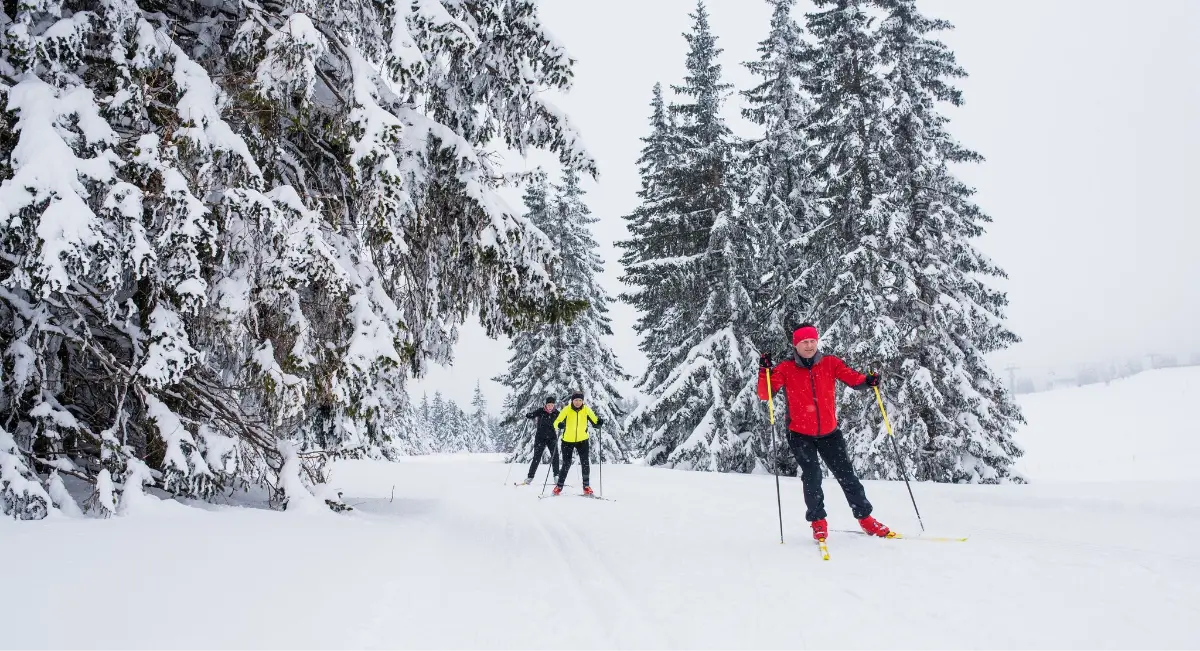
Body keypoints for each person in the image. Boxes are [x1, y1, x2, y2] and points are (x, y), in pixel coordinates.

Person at [757, 324, 891, 540]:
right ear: (796, 344)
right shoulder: (786, 368)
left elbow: (853, 378)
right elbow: (766, 394)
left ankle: (866, 519)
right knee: (812, 477)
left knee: (847, 476)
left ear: (816, 342)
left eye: (812, 341)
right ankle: (818, 521)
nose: (809, 346)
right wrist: (764, 372)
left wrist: (868, 381)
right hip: (799, 434)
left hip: (829, 433)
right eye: (804, 342)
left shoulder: (830, 363)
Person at [551, 391, 602, 496]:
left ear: (582, 401)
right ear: (572, 401)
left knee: (585, 462)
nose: (578, 402)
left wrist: (599, 423)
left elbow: (595, 421)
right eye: (576, 400)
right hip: (567, 441)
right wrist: (559, 425)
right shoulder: (566, 410)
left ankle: (586, 487)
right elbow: (556, 422)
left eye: (580, 400)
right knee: (566, 463)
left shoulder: (586, 410)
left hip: (582, 440)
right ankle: (559, 486)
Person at [518, 397, 561, 485]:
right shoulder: (540, 411)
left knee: (555, 457)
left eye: (552, 405)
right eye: (548, 405)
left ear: (554, 405)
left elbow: (563, 420)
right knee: (536, 458)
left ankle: (556, 476)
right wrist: (529, 415)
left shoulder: (556, 413)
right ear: (546, 405)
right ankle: (530, 477)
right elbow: (533, 414)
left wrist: (562, 424)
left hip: (552, 438)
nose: (550, 407)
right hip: (540, 438)